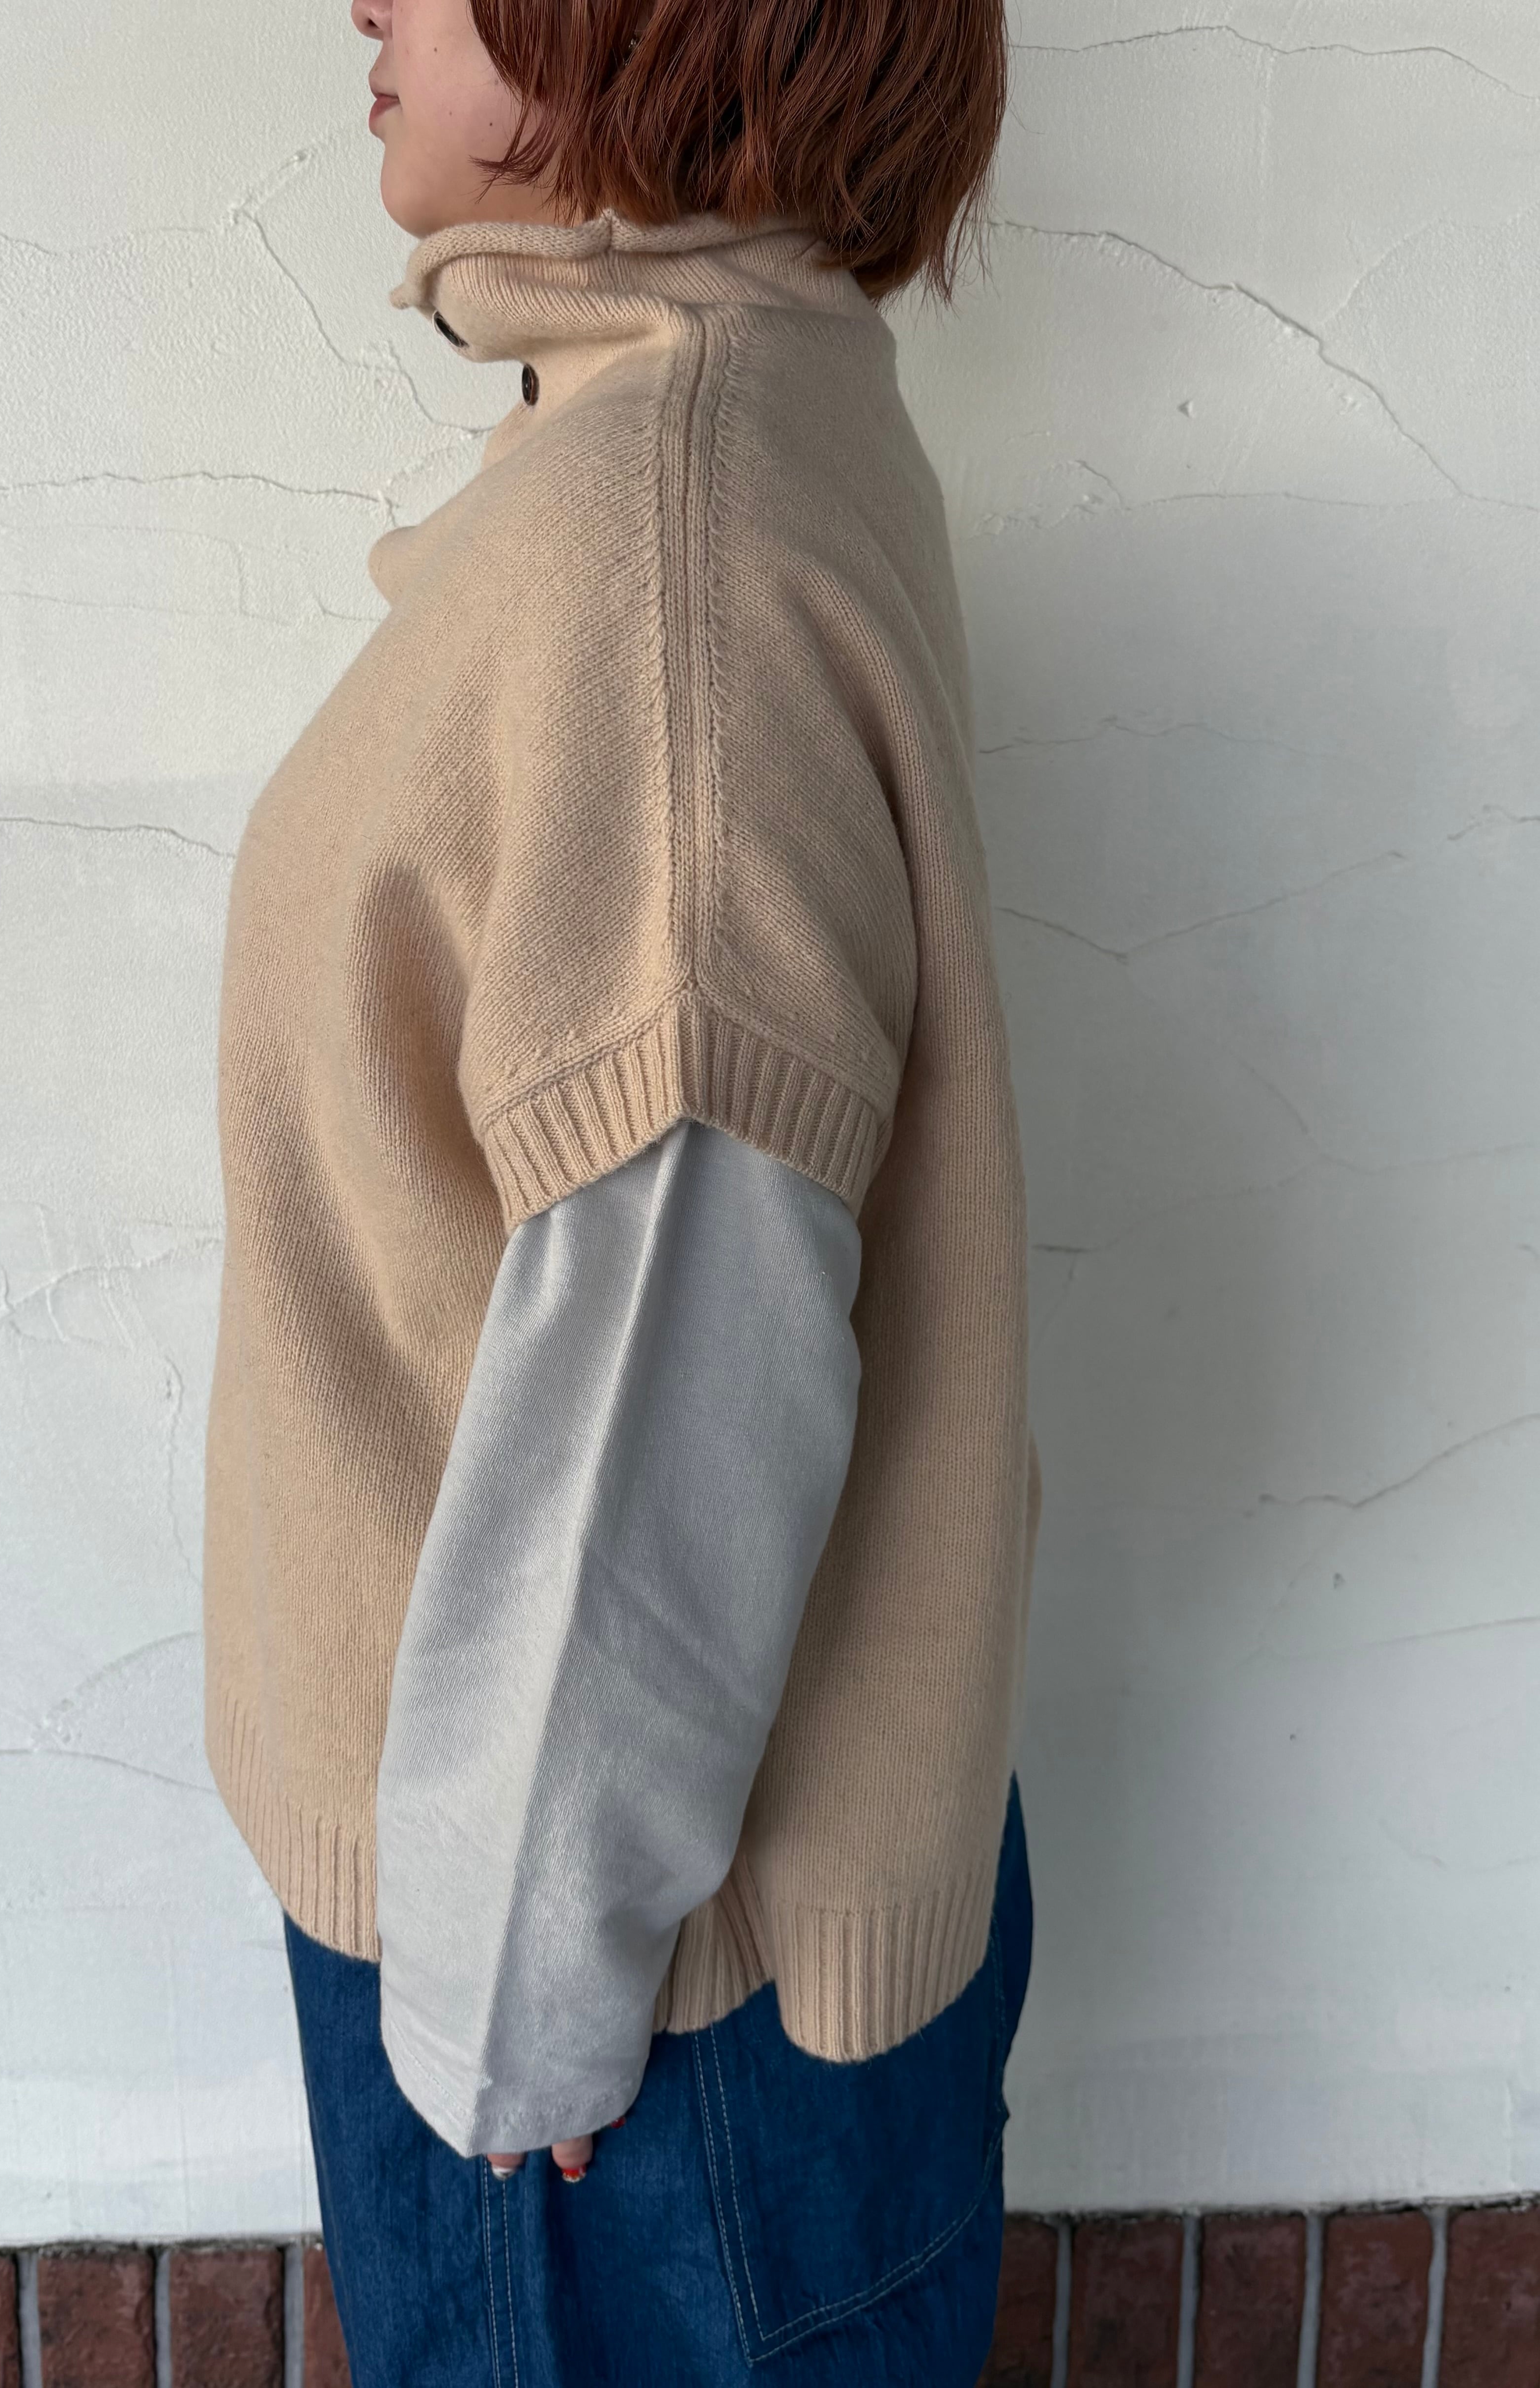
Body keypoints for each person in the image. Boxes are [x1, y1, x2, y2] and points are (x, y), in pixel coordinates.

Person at [201, 0, 1044, 2376]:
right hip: (655, 1940)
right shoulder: (744, 406)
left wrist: (513, 2026)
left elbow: (669, 1382)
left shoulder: (655, 559)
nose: (363, 6)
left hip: (624, 2043)